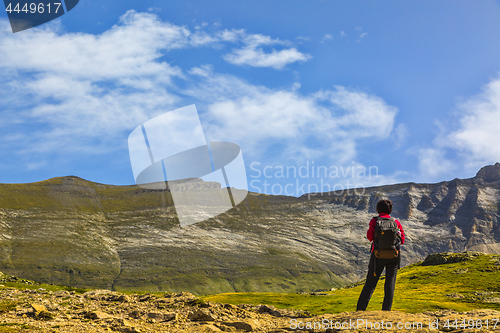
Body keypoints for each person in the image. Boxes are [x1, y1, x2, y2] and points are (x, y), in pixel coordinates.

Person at [356, 199, 405, 311]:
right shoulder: (396, 222)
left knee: (370, 283)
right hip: (394, 256)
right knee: (390, 283)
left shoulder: (374, 221)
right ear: (390, 209)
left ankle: (360, 310)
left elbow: (369, 237)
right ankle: (386, 310)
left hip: (378, 256)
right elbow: (402, 240)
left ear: (378, 209)